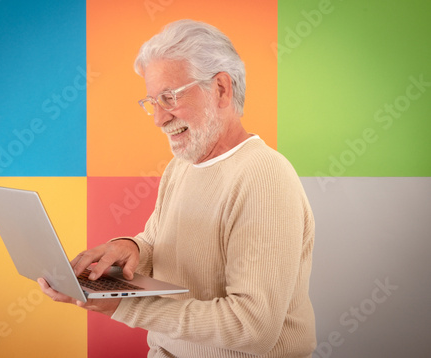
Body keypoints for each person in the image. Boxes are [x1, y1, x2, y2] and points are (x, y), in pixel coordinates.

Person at [38, 19, 316, 357]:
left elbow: (252, 326)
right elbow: (158, 241)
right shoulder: (180, 166)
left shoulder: (264, 177)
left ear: (221, 89)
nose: (159, 119)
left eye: (169, 97)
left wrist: (123, 308)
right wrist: (131, 249)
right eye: (153, 102)